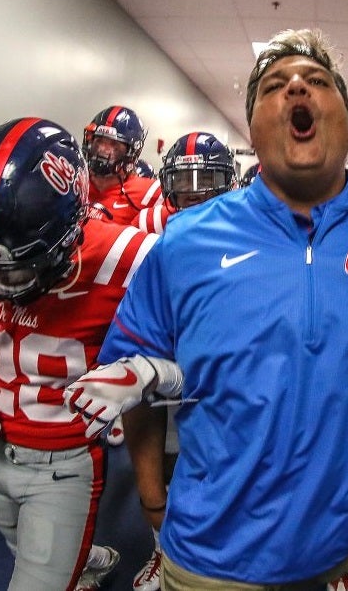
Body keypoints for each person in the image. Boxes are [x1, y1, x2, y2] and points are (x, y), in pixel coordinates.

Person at [64, 28, 348, 589]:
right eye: (273, 86)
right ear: (253, 127)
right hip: (208, 555)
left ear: (345, 115)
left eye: (316, 81)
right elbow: (133, 381)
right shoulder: (185, 242)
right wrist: (152, 500)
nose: (296, 90)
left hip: (340, 548)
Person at [0, 117, 160, 590]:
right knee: (24, 546)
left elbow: (214, 339)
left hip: (64, 461)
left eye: (15, 269)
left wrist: (143, 372)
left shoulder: (126, 257)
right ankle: (87, 558)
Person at [124, 130, 238, 591]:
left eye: (206, 179)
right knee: (170, 461)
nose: (194, 193)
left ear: (227, 181)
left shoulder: (250, 234)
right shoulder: (152, 237)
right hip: (166, 369)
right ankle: (162, 546)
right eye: (184, 182)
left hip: (225, 383)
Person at [82, 105, 160, 447]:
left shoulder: (146, 191)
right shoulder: (74, 179)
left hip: (120, 296)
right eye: (99, 141)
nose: (103, 150)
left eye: (113, 145)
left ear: (130, 153)